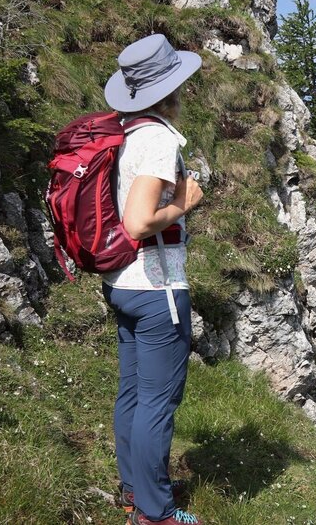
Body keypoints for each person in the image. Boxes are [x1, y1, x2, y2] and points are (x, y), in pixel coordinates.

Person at [101, 33, 204, 525]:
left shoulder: (122, 130)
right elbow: (139, 221)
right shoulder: (158, 138)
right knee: (157, 403)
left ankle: (136, 490)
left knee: (134, 392)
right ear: (171, 90)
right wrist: (187, 201)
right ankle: (156, 514)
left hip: (121, 282)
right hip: (154, 286)